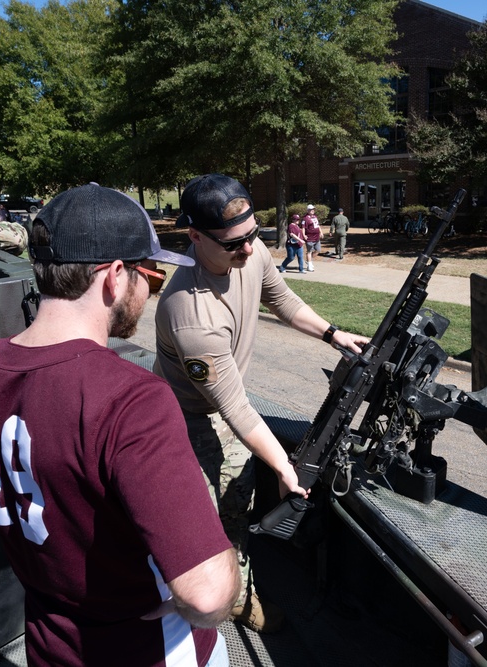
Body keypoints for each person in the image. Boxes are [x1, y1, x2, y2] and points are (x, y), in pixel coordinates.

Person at [0, 183, 239, 667]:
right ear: (115, 275)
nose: (150, 291)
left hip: (50, 645)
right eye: (152, 275)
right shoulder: (132, 399)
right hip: (150, 649)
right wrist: (224, 565)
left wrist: (25, 511)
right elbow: (207, 597)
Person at [154, 174, 368, 633]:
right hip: (191, 419)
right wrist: (284, 468)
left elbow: (281, 298)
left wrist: (333, 333)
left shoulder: (247, 251)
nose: (249, 251)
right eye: (234, 244)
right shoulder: (191, 313)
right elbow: (233, 407)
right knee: (215, 515)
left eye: (253, 236)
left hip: (228, 408)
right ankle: (229, 600)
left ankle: (231, 586)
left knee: (236, 500)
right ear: (194, 236)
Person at [301, 203, 322, 272]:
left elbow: (318, 225)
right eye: (310, 209)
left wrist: (321, 232)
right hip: (310, 238)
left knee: (318, 250)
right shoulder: (305, 218)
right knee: (309, 251)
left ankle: (308, 260)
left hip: (316, 237)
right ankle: (309, 266)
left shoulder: (315, 217)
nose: (312, 210)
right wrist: (304, 235)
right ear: (308, 210)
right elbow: (303, 228)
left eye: (313, 209)